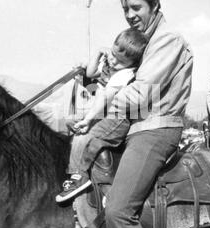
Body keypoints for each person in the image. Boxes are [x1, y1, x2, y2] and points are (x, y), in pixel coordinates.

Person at [101, 0, 193, 228]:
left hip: (155, 129)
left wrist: (95, 101)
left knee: (119, 210)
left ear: (155, 3)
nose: (130, 15)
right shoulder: (146, 41)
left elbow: (140, 96)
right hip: (136, 125)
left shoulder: (168, 39)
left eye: (136, 7)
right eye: (125, 8)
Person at [56, 27, 147, 203]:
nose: (113, 62)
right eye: (112, 54)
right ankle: (72, 157)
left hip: (116, 119)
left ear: (132, 64)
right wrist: (98, 52)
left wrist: (88, 119)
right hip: (101, 109)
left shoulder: (124, 74)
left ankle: (78, 176)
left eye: (120, 62)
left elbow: (104, 97)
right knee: (69, 121)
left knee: (83, 136)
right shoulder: (110, 63)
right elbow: (90, 73)